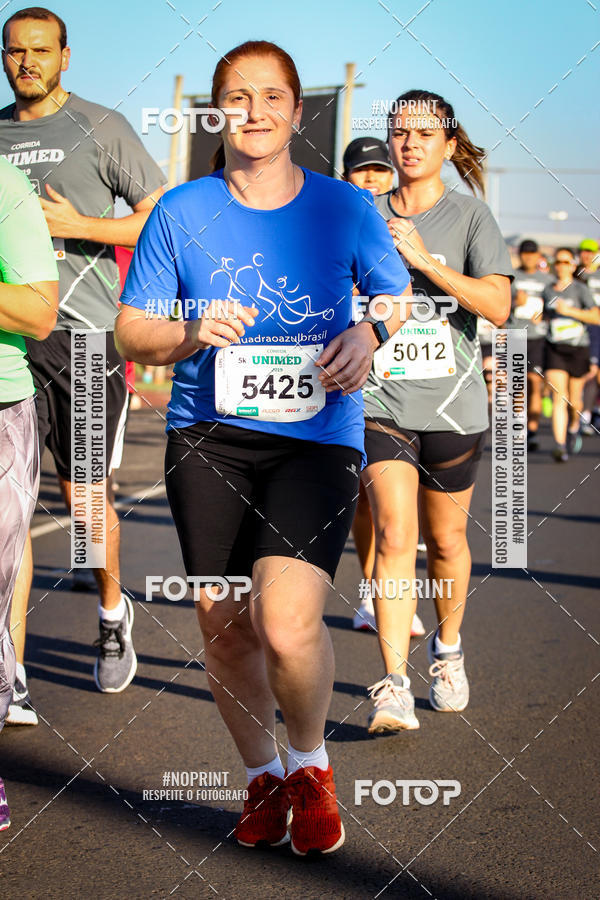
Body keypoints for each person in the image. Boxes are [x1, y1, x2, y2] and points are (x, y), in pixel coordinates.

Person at [115, 40, 411, 854]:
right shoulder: (180, 211)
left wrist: (369, 331)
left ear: (296, 110)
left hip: (316, 437)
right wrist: (188, 331)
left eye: (271, 96)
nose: (254, 111)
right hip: (207, 437)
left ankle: (311, 768)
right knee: (223, 624)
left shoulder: (344, 207)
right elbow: (131, 329)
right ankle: (261, 777)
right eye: (237, 97)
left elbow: (396, 295)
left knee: (283, 621)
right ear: (218, 111)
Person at [0, 6, 165, 706]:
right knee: (11, 505)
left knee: (83, 496)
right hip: (11, 339)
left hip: (86, 339)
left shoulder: (102, 127)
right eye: (15, 51)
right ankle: (11, 670)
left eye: (41, 50)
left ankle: (111, 613)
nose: (27, 62)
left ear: (65, 56)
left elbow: (162, 217)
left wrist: (80, 225)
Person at [361, 90, 512, 734]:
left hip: (454, 407)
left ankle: (447, 654)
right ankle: (394, 685)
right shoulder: (363, 212)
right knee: (396, 536)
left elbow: (498, 306)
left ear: (449, 146)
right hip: (380, 400)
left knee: (446, 541)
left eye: (425, 133)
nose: (410, 143)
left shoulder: (472, 216)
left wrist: (422, 259)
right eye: (400, 131)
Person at [342, 138, 425, 638]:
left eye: (379, 170)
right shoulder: (340, 216)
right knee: (363, 500)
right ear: (347, 176)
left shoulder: (406, 219)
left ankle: (392, 589)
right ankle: (373, 588)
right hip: (356, 377)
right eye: (361, 171)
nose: (371, 178)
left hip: (413, 378)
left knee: (400, 511)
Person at [0, 157, 58, 828]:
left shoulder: (6, 185)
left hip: (76, 352)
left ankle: (110, 613)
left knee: (86, 499)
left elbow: (41, 311)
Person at [543, 247, 600, 462]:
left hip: (578, 349)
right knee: (559, 395)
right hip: (555, 348)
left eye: (566, 262)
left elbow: (596, 317)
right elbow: (544, 316)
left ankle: (574, 426)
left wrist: (570, 312)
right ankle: (559, 446)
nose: (561, 266)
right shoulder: (548, 290)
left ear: (573, 265)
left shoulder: (580, 289)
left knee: (574, 400)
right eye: (558, 262)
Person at [505, 239, 553, 451]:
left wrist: (545, 314)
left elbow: (555, 307)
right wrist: (516, 303)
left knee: (535, 382)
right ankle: (519, 427)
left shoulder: (547, 280)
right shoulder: (512, 277)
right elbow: (500, 305)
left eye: (532, 253)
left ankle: (532, 431)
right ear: (520, 255)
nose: (528, 257)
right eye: (525, 253)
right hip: (516, 335)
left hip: (538, 337)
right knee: (518, 385)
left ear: (537, 255)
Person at [575, 239, 600, 435]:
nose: (587, 255)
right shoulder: (576, 275)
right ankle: (585, 415)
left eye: (591, 252)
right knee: (589, 372)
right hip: (584, 327)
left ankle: (594, 411)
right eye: (584, 251)